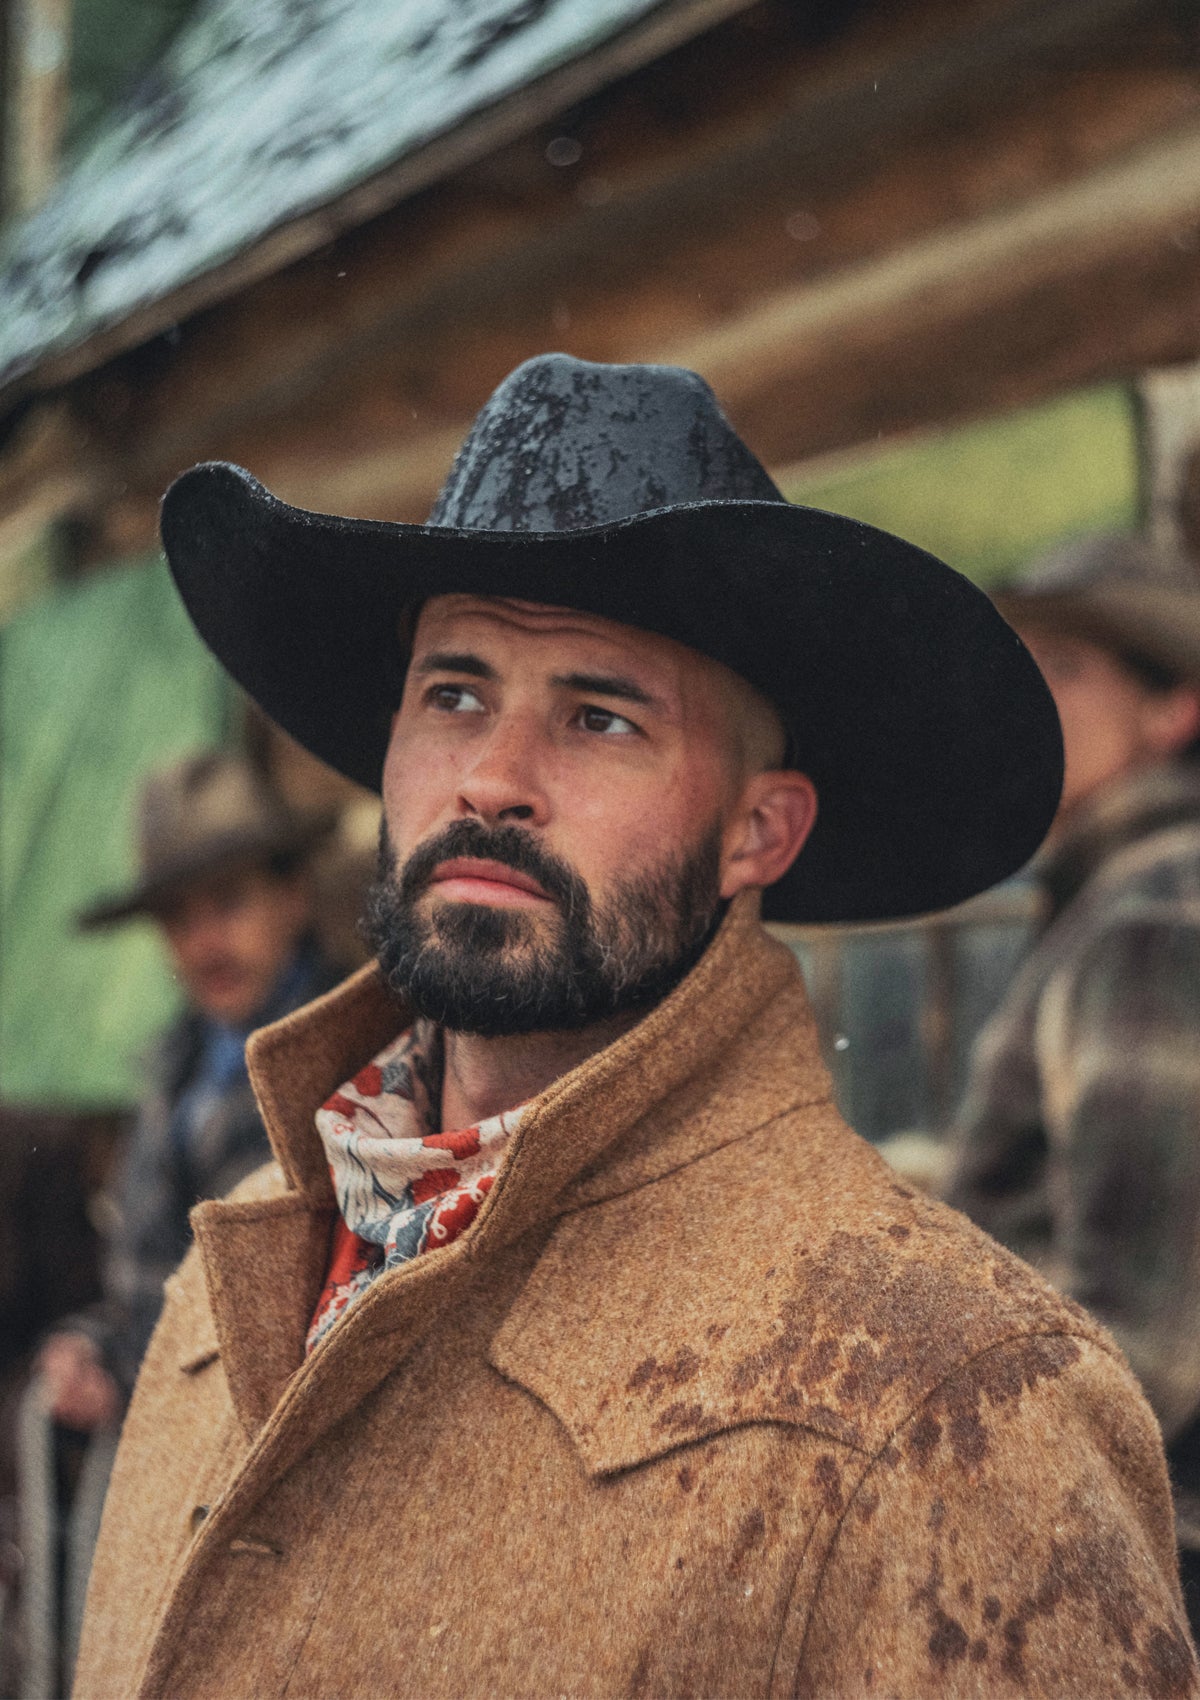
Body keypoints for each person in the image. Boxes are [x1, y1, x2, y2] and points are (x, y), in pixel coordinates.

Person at [74, 358, 1195, 1699]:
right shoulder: (237, 1265)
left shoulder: (950, 1409)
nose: (492, 778)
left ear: (758, 830)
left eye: (600, 716)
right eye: (454, 694)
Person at [944, 531, 1200, 1631]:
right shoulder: (1118, 897)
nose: (1026, 698)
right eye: (1020, 665)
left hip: (1131, 1562)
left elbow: (1145, 1336)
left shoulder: (1155, 915)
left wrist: (962, 1524)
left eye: (1064, 666)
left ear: (1173, 709)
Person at [39, 750, 341, 1429]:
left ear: (293, 896)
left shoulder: (345, 1055)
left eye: (229, 902)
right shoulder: (176, 1064)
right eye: (179, 919)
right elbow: (148, 1280)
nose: (204, 944)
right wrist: (95, 1349)